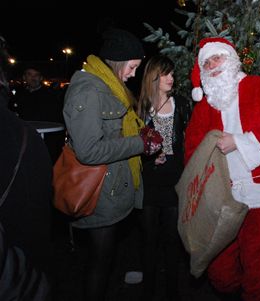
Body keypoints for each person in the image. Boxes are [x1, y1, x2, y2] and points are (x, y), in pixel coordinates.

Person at [184, 37, 260, 301]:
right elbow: (191, 152)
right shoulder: (204, 106)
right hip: (220, 197)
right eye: (206, 62)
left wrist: (239, 142)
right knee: (220, 272)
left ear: (232, 58)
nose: (212, 64)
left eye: (217, 57)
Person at [62, 28, 162, 301]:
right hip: (98, 192)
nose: (133, 74)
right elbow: (89, 150)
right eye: (132, 67)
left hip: (111, 187)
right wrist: (139, 145)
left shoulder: (109, 86)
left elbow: (115, 131)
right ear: (118, 62)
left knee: (105, 260)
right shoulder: (88, 90)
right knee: (99, 262)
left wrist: (142, 136)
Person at [0, 35, 52, 300]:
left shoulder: (50, 96)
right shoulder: (17, 99)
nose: (32, 78)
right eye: (28, 74)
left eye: (35, 74)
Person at [136, 55, 192, 300]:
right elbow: (132, 143)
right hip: (149, 180)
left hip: (174, 178)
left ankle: (172, 291)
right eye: (166, 74)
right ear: (154, 76)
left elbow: (188, 140)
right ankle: (148, 290)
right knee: (148, 240)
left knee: (172, 240)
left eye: (172, 73)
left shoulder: (180, 103)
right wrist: (148, 158)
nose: (172, 78)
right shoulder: (140, 106)